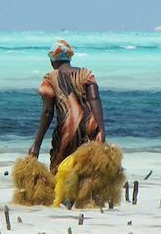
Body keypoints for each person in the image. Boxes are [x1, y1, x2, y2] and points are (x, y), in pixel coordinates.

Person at [28, 40, 106, 173]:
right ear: (69, 57)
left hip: (67, 131)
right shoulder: (86, 74)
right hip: (90, 128)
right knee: (87, 172)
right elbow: (95, 99)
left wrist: (36, 145)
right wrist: (101, 129)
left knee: (61, 171)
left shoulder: (50, 79)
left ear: (53, 59)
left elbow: (47, 112)